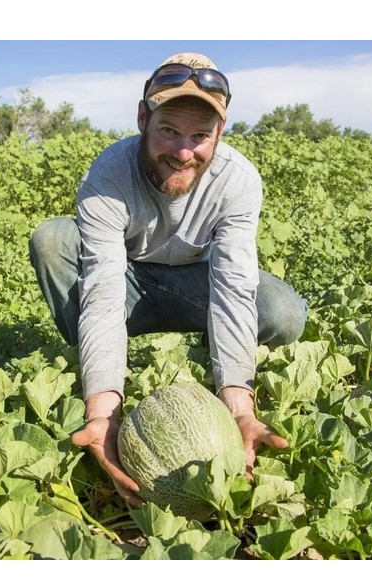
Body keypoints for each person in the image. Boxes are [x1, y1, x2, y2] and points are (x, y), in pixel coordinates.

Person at [29, 52, 307, 508]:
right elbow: (101, 289)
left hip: (199, 281)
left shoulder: (238, 182)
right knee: (52, 240)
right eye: (169, 131)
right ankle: (96, 359)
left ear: (221, 131)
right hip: (127, 279)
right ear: (143, 117)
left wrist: (238, 405)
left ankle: (212, 348)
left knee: (283, 313)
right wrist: (103, 411)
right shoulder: (109, 175)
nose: (183, 151)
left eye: (200, 136)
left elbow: (234, 288)